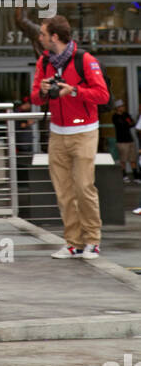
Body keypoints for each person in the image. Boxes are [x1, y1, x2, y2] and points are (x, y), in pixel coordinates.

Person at [32, 15, 111, 257]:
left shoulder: (84, 60)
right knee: (63, 190)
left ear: (55, 36)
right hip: (57, 132)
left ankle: (92, 240)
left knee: (84, 187)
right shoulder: (44, 62)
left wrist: (73, 90)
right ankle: (73, 242)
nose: (40, 38)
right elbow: (35, 98)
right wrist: (44, 90)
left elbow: (103, 95)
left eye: (43, 34)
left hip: (84, 131)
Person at [111, 101, 138, 182]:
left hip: (130, 139)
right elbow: (121, 125)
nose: (123, 108)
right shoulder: (115, 116)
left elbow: (132, 123)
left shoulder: (126, 115)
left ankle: (136, 176)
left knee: (132, 158)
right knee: (123, 159)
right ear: (117, 108)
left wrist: (127, 123)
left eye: (123, 106)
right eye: (121, 106)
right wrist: (127, 123)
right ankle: (124, 175)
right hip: (121, 141)